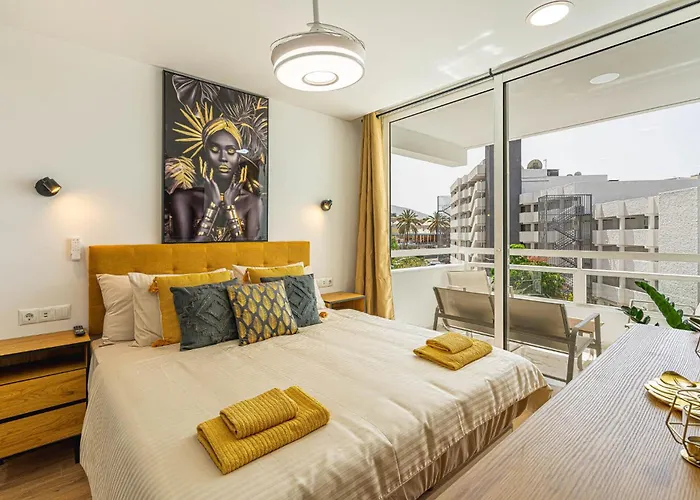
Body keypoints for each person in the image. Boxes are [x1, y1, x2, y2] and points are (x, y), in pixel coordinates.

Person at [168, 116, 263, 241]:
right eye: (215, 149)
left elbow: (249, 251)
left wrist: (229, 208)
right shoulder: (183, 198)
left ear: (239, 158)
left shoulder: (252, 202)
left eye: (230, 151)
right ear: (205, 154)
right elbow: (186, 251)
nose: (223, 158)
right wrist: (213, 206)